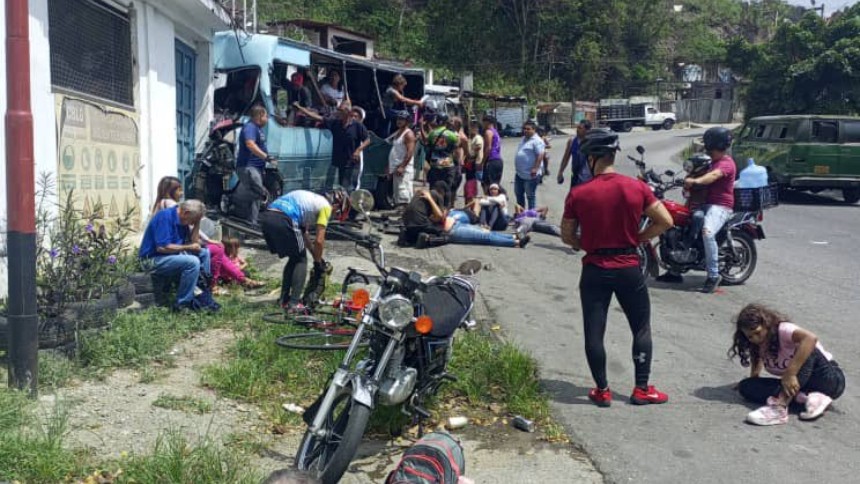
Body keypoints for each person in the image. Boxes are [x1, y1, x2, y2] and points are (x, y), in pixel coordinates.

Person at [560, 129, 673, 407]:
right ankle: (642, 388)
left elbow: (567, 235)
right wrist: (638, 238)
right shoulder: (636, 187)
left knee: (594, 331)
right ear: (612, 155)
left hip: (595, 268)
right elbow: (666, 221)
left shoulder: (578, 193)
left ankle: (602, 390)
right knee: (641, 327)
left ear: (591, 158)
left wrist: (586, 244)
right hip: (628, 267)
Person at [729, 304, 845, 426]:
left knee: (808, 350)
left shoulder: (783, 330)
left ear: (767, 325)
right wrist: (755, 378)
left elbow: (810, 339)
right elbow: (756, 356)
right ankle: (810, 399)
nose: (755, 338)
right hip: (803, 385)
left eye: (758, 332)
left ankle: (779, 408)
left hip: (828, 379)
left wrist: (790, 374)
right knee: (747, 386)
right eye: (750, 336)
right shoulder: (758, 344)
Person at [683, 127, 737, 293]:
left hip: (721, 206)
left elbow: (712, 177)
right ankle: (674, 269)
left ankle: (713, 275)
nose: (707, 148)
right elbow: (697, 170)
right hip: (704, 204)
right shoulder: (710, 161)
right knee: (680, 222)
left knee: (707, 232)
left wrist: (696, 181)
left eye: (709, 145)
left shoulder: (726, 163)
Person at [260, 190, 332, 312]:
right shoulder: (326, 207)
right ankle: (294, 303)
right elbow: (319, 241)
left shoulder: (309, 201)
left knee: (294, 257)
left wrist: (316, 258)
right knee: (301, 260)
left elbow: (305, 236)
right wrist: (317, 263)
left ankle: (284, 299)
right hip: (285, 217)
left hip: (267, 217)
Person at [139, 200, 213, 311]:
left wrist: (197, 222)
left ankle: (202, 292)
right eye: (193, 220)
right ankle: (183, 304)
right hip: (152, 259)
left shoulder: (183, 219)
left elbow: (194, 241)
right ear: (186, 213)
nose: (192, 224)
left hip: (170, 256)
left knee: (204, 253)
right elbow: (162, 247)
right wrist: (188, 248)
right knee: (192, 262)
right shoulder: (164, 217)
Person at [295, 101, 370, 191]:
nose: (338, 113)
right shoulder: (335, 123)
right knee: (332, 186)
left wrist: (358, 150)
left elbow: (368, 139)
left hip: (349, 162)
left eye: (341, 111)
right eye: (339, 110)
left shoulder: (357, 126)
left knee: (346, 187)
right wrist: (300, 108)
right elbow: (317, 118)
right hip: (336, 161)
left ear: (347, 113)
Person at [416, 189, 529, 249]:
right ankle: (516, 243)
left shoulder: (428, 210)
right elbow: (440, 217)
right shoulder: (425, 216)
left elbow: (443, 214)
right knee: (485, 237)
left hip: (456, 224)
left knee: (486, 232)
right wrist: (430, 199)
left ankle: (513, 237)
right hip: (452, 231)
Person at [233, 104, 273, 227]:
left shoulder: (257, 129)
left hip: (255, 168)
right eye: (266, 116)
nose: (267, 119)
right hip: (249, 167)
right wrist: (265, 157)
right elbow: (250, 144)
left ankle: (252, 222)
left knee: (257, 195)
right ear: (260, 115)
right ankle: (234, 200)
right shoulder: (250, 127)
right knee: (258, 193)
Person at [424, 112, 461, 208]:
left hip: (435, 164)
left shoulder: (432, 133)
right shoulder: (452, 135)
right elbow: (456, 151)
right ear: (446, 122)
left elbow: (428, 145)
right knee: (447, 188)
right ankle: (445, 208)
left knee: (433, 187)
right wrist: (458, 163)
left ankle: (433, 208)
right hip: (447, 164)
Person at [387, 110, 417, 205]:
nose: (399, 121)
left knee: (404, 192)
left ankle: (404, 216)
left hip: (404, 169)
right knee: (398, 194)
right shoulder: (397, 133)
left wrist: (402, 167)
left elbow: (410, 152)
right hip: (396, 167)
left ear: (407, 121)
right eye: (398, 119)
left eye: (402, 119)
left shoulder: (408, 134)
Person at [513, 121, 545, 210]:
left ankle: (531, 216)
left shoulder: (537, 141)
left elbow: (540, 155)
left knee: (530, 196)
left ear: (534, 130)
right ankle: (521, 215)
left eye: (528, 129)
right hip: (520, 174)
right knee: (518, 194)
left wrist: (535, 168)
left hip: (530, 175)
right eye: (524, 129)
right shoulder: (524, 138)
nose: (525, 130)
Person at [557, 119, 592, 188]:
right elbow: (565, 158)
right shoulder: (572, 141)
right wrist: (560, 172)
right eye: (577, 127)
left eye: (580, 128)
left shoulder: (591, 142)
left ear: (587, 130)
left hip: (589, 179)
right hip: (575, 176)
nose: (577, 130)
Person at [481, 115, 503, 193]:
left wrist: (482, 161)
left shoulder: (488, 132)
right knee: (495, 184)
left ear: (487, 122)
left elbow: (488, 148)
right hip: (498, 159)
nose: (482, 124)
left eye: (483, 122)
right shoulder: (495, 131)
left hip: (491, 160)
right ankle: (496, 201)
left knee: (486, 184)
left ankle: (489, 202)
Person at [464, 121, 484, 206]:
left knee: (481, 180)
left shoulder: (478, 137)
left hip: (477, 162)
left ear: (476, 129)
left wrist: (471, 154)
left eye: (471, 128)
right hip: (473, 163)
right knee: (475, 180)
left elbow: (478, 146)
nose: (469, 130)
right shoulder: (472, 138)